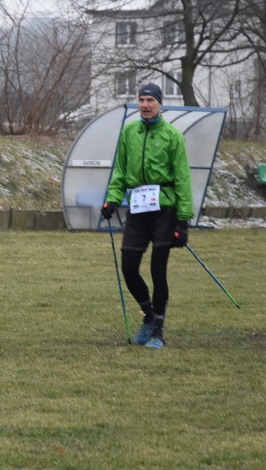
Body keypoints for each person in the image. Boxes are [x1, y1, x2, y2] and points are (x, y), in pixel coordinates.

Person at [100, 83, 193, 349]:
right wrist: (112, 199)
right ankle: (148, 316)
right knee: (129, 267)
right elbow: (120, 171)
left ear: (160, 103)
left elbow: (183, 179)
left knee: (157, 271)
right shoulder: (129, 132)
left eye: (150, 99)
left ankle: (158, 332)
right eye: (141, 99)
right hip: (138, 208)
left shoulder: (173, 135)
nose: (145, 104)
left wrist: (183, 221)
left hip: (165, 210)